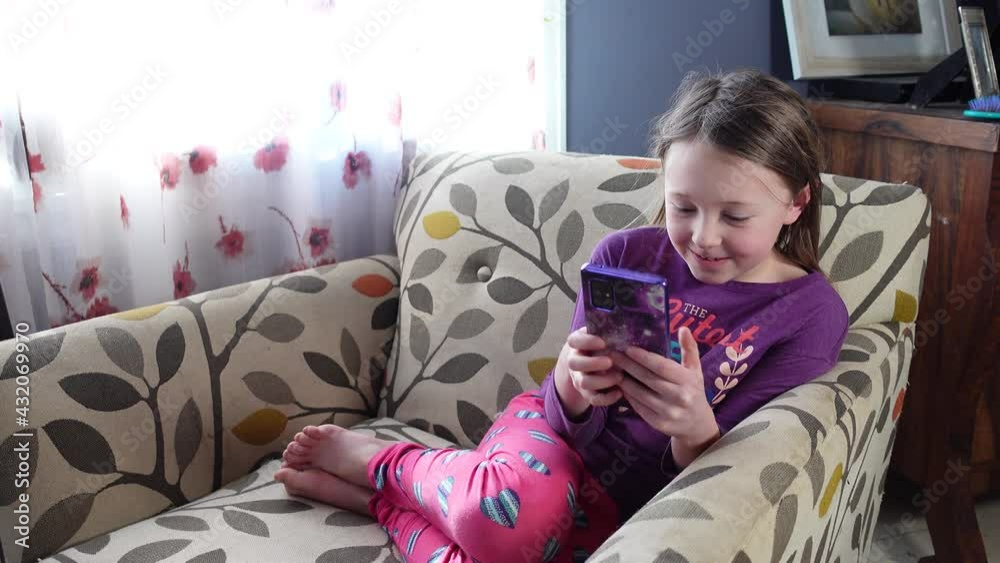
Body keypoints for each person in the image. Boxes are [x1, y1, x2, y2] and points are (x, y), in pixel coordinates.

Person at [273, 68, 849, 563]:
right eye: (683, 207)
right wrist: (574, 385)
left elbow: (731, 473)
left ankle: (379, 501)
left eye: (735, 216)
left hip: (636, 498)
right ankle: (384, 462)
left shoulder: (807, 315)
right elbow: (559, 411)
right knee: (506, 519)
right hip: (547, 441)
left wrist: (693, 427)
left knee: (504, 545)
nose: (703, 236)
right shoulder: (626, 255)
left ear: (796, 202)